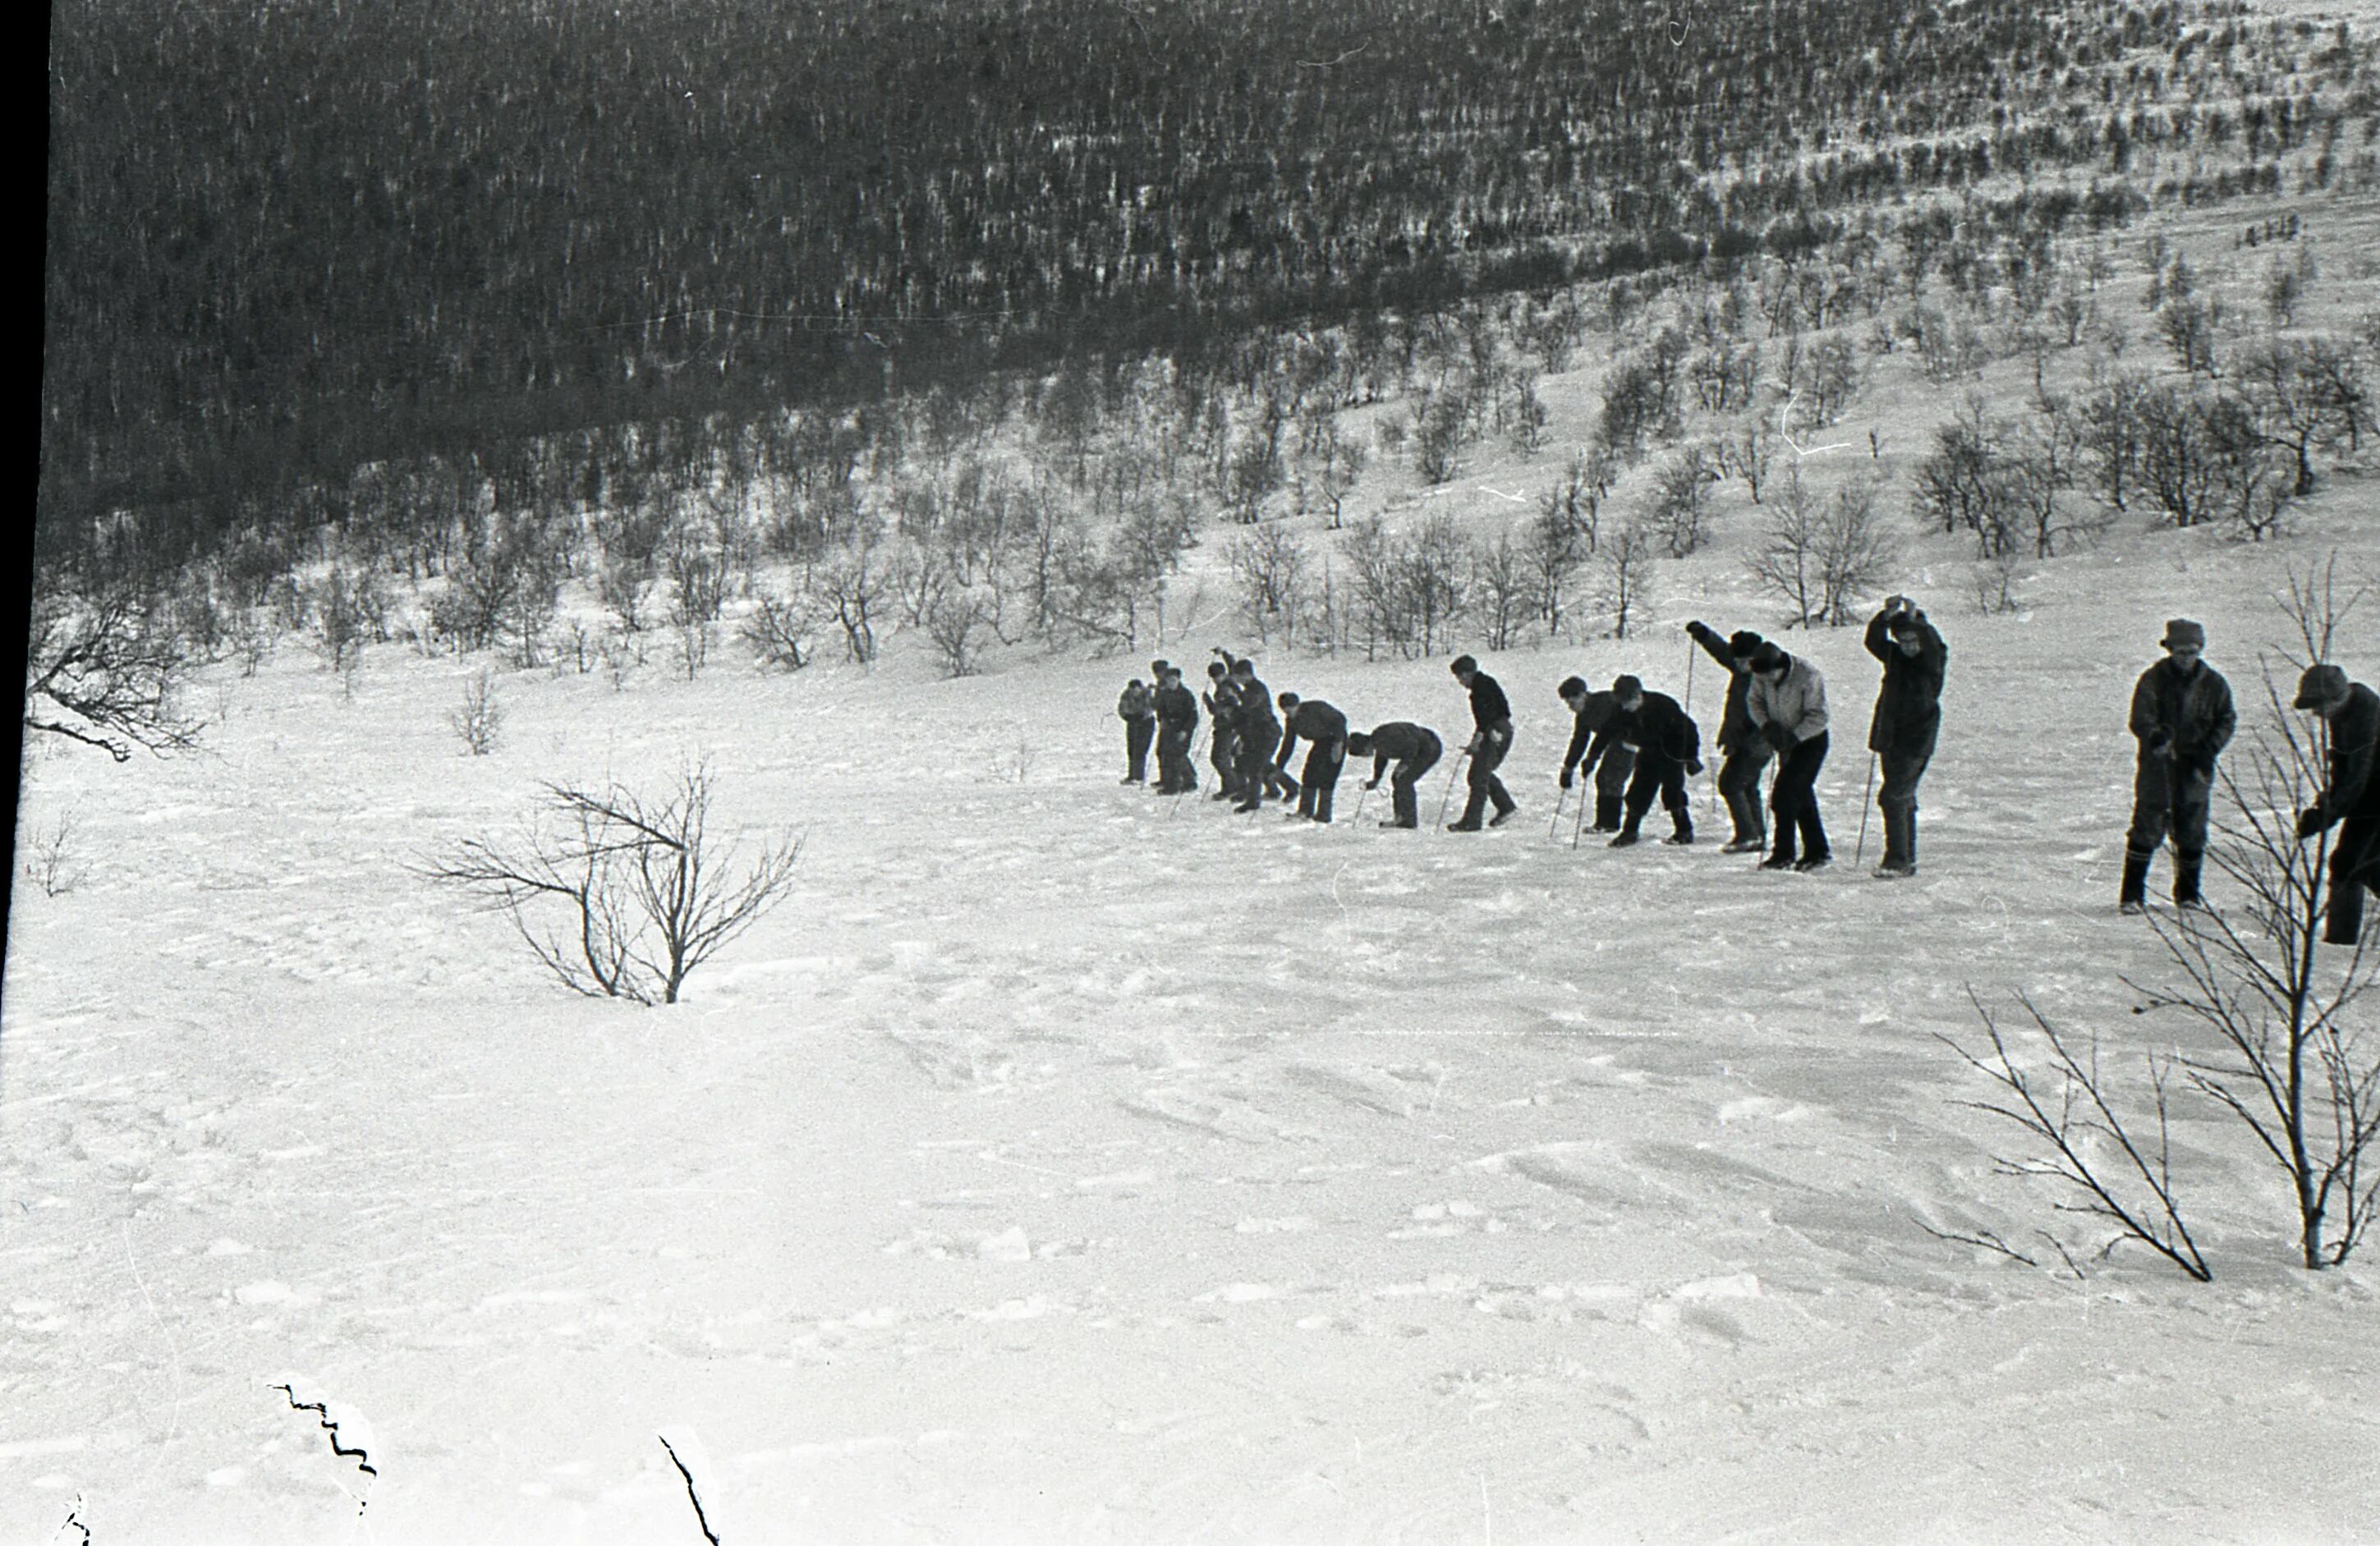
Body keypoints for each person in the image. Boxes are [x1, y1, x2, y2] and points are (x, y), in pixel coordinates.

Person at [2122, 619, 2235, 914]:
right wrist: (2154, 736)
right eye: (2180, 651)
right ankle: (2132, 896)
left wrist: (2209, 748)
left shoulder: (2215, 684)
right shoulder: (2153, 679)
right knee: (2147, 827)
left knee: (2192, 830)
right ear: (2169, 649)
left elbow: (2226, 719)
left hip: (2195, 768)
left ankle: (2188, 895)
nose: (2186, 658)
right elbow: (2140, 718)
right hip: (2158, 768)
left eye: (2192, 651)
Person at [2293, 663, 2379, 946]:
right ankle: (2341, 942)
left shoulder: (2366, 715)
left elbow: (2356, 776)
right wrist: (2326, 804)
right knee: (2358, 867)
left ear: (2335, 698)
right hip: (2368, 797)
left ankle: (2340, 946)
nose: (2316, 714)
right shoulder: (2343, 712)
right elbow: (2343, 770)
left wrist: (2325, 815)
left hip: (2373, 797)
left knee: (2350, 865)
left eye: (2318, 706)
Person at [1864, 596, 1948, 878]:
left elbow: (1932, 644)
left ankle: (1897, 859)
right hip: (1890, 740)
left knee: (1893, 798)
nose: (1909, 647)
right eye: (1904, 641)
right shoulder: (1895, 659)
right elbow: (1873, 642)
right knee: (1903, 799)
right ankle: (1906, 859)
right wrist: (1885, 616)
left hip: (1916, 742)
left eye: (1914, 641)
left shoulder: (1932, 662)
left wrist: (1917, 621)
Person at [1582, 674, 1702, 847]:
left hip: (1672, 753)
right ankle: (1630, 832)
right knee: (1637, 793)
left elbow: (1689, 730)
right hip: (1648, 753)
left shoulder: (1663, 705)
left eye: (1629, 700)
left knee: (1672, 793)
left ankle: (1684, 831)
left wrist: (1691, 757)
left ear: (1639, 694)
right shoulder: (1621, 710)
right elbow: (1606, 732)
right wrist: (1592, 757)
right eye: (1622, 701)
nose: (1626, 706)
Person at [1745, 641, 1831, 871]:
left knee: (1784, 796)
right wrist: (1767, 726)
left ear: (1781, 666)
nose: (1766, 680)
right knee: (1800, 796)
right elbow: (1754, 702)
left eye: (1770, 674)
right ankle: (1817, 851)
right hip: (1783, 740)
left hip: (1811, 741)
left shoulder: (1808, 676)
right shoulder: (1761, 675)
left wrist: (1794, 736)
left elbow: (1820, 716)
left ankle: (1783, 853)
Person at [1688, 622, 1771, 853]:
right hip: (1743, 742)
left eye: (1744, 660)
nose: (1739, 664)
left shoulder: (1766, 677)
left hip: (1757, 744)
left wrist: (1753, 741)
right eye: (1738, 661)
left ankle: (1747, 835)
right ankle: (1756, 836)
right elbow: (1722, 652)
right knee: (1747, 786)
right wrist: (1704, 635)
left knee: (1730, 783)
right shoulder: (1741, 669)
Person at [1555, 676, 1636, 833]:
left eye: (1572, 702)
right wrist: (1568, 768)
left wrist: (1592, 758)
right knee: (1604, 779)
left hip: (1630, 741)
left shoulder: (1605, 702)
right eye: (1567, 703)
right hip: (1615, 744)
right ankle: (1606, 823)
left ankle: (1610, 824)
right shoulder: (1583, 716)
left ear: (1583, 695)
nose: (1570, 707)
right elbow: (1579, 741)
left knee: (1611, 779)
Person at [1448, 655, 1517, 830]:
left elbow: (1485, 718)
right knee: (1481, 773)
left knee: (1478, 775)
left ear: (1467, 674)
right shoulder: (1487, 683)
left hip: (1494, 731)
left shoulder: (1480, 688)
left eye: (1460, 677)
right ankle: (1506, 807)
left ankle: (1472, 821)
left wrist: (1480, 738)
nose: (1460, 681)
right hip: (1501, 729)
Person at [1349, 723, 1443, 829]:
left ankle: (1407, 821)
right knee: (1398, 778)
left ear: (1364, 747)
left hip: (1429, 748)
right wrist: (1376, 779)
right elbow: (1381, 760)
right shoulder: (1378, 740)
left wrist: (1405, 764)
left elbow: (1412, 744)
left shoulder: (1384, 738)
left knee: (1404, 780)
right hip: (1424, 744)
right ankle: (1400, 817)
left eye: (1362, 754)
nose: (1365, 756)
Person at [1275, 693, 1351, 822]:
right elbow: (1288, 744)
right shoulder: (1291, 721)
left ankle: (1324, 814)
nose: (1289, 713)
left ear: (1297, 705)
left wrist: (1338, 745)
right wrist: (1280, 765)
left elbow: (1340, 720)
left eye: (1291, 709)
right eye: (1285, 710)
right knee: (1309, 774)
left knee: (1327, 776)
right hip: (1320, 742)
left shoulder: (1316, 708)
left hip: (1336, 740)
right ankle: (1305, 811)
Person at [1229, 657, 1284, 814]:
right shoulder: (1249, 688)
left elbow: (1248, 705)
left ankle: (1253, 802)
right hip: (1256, 733)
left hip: (1267, 733)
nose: (1237, 680)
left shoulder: (1257, 690)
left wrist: (1236, 698)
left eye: (1239, 677)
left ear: (1247, 674)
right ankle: (1288, 787)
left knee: (1256, 767)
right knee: (1261, 764)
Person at [1151, 664, 1200, 795]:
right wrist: (1161, 719)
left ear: (1178, 680)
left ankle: (1174, 785)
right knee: (1167, 754)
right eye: (1168, 681)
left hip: (1182, 727)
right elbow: (1161, 709)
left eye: (1173, 680)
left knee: (1176, 755)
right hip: (1169, 727)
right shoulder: (1165, 693)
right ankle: (1186, 780)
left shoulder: (1186, 695)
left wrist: (1186, 730)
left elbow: (1193, 715)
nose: (1171, 683)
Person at [1203, 658, 1244, 803]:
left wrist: (1208, 702)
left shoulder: (1226, 689)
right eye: (1213, 677)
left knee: (1220, 758)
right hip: (1225, 727)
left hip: (1228, 727)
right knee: (1221, 758)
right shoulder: (1228, 684)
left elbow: (1220, 710)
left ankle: (1232, 787)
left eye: (1217, 676)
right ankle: (1232, 787)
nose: (1215, 680)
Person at [1117, 677, 1156, 785]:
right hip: (1132, 723)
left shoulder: (1147, 695)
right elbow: (1122, 708)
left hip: (1146, 723)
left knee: (1141, 749)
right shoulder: (1126, 695)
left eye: (1137, 689)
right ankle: (1132, 775)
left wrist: (1142, 715)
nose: (1135, 692)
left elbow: (1151, 708)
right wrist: (1127, 716)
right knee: (1131, 749)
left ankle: (1139, 776)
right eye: (1132, 690)